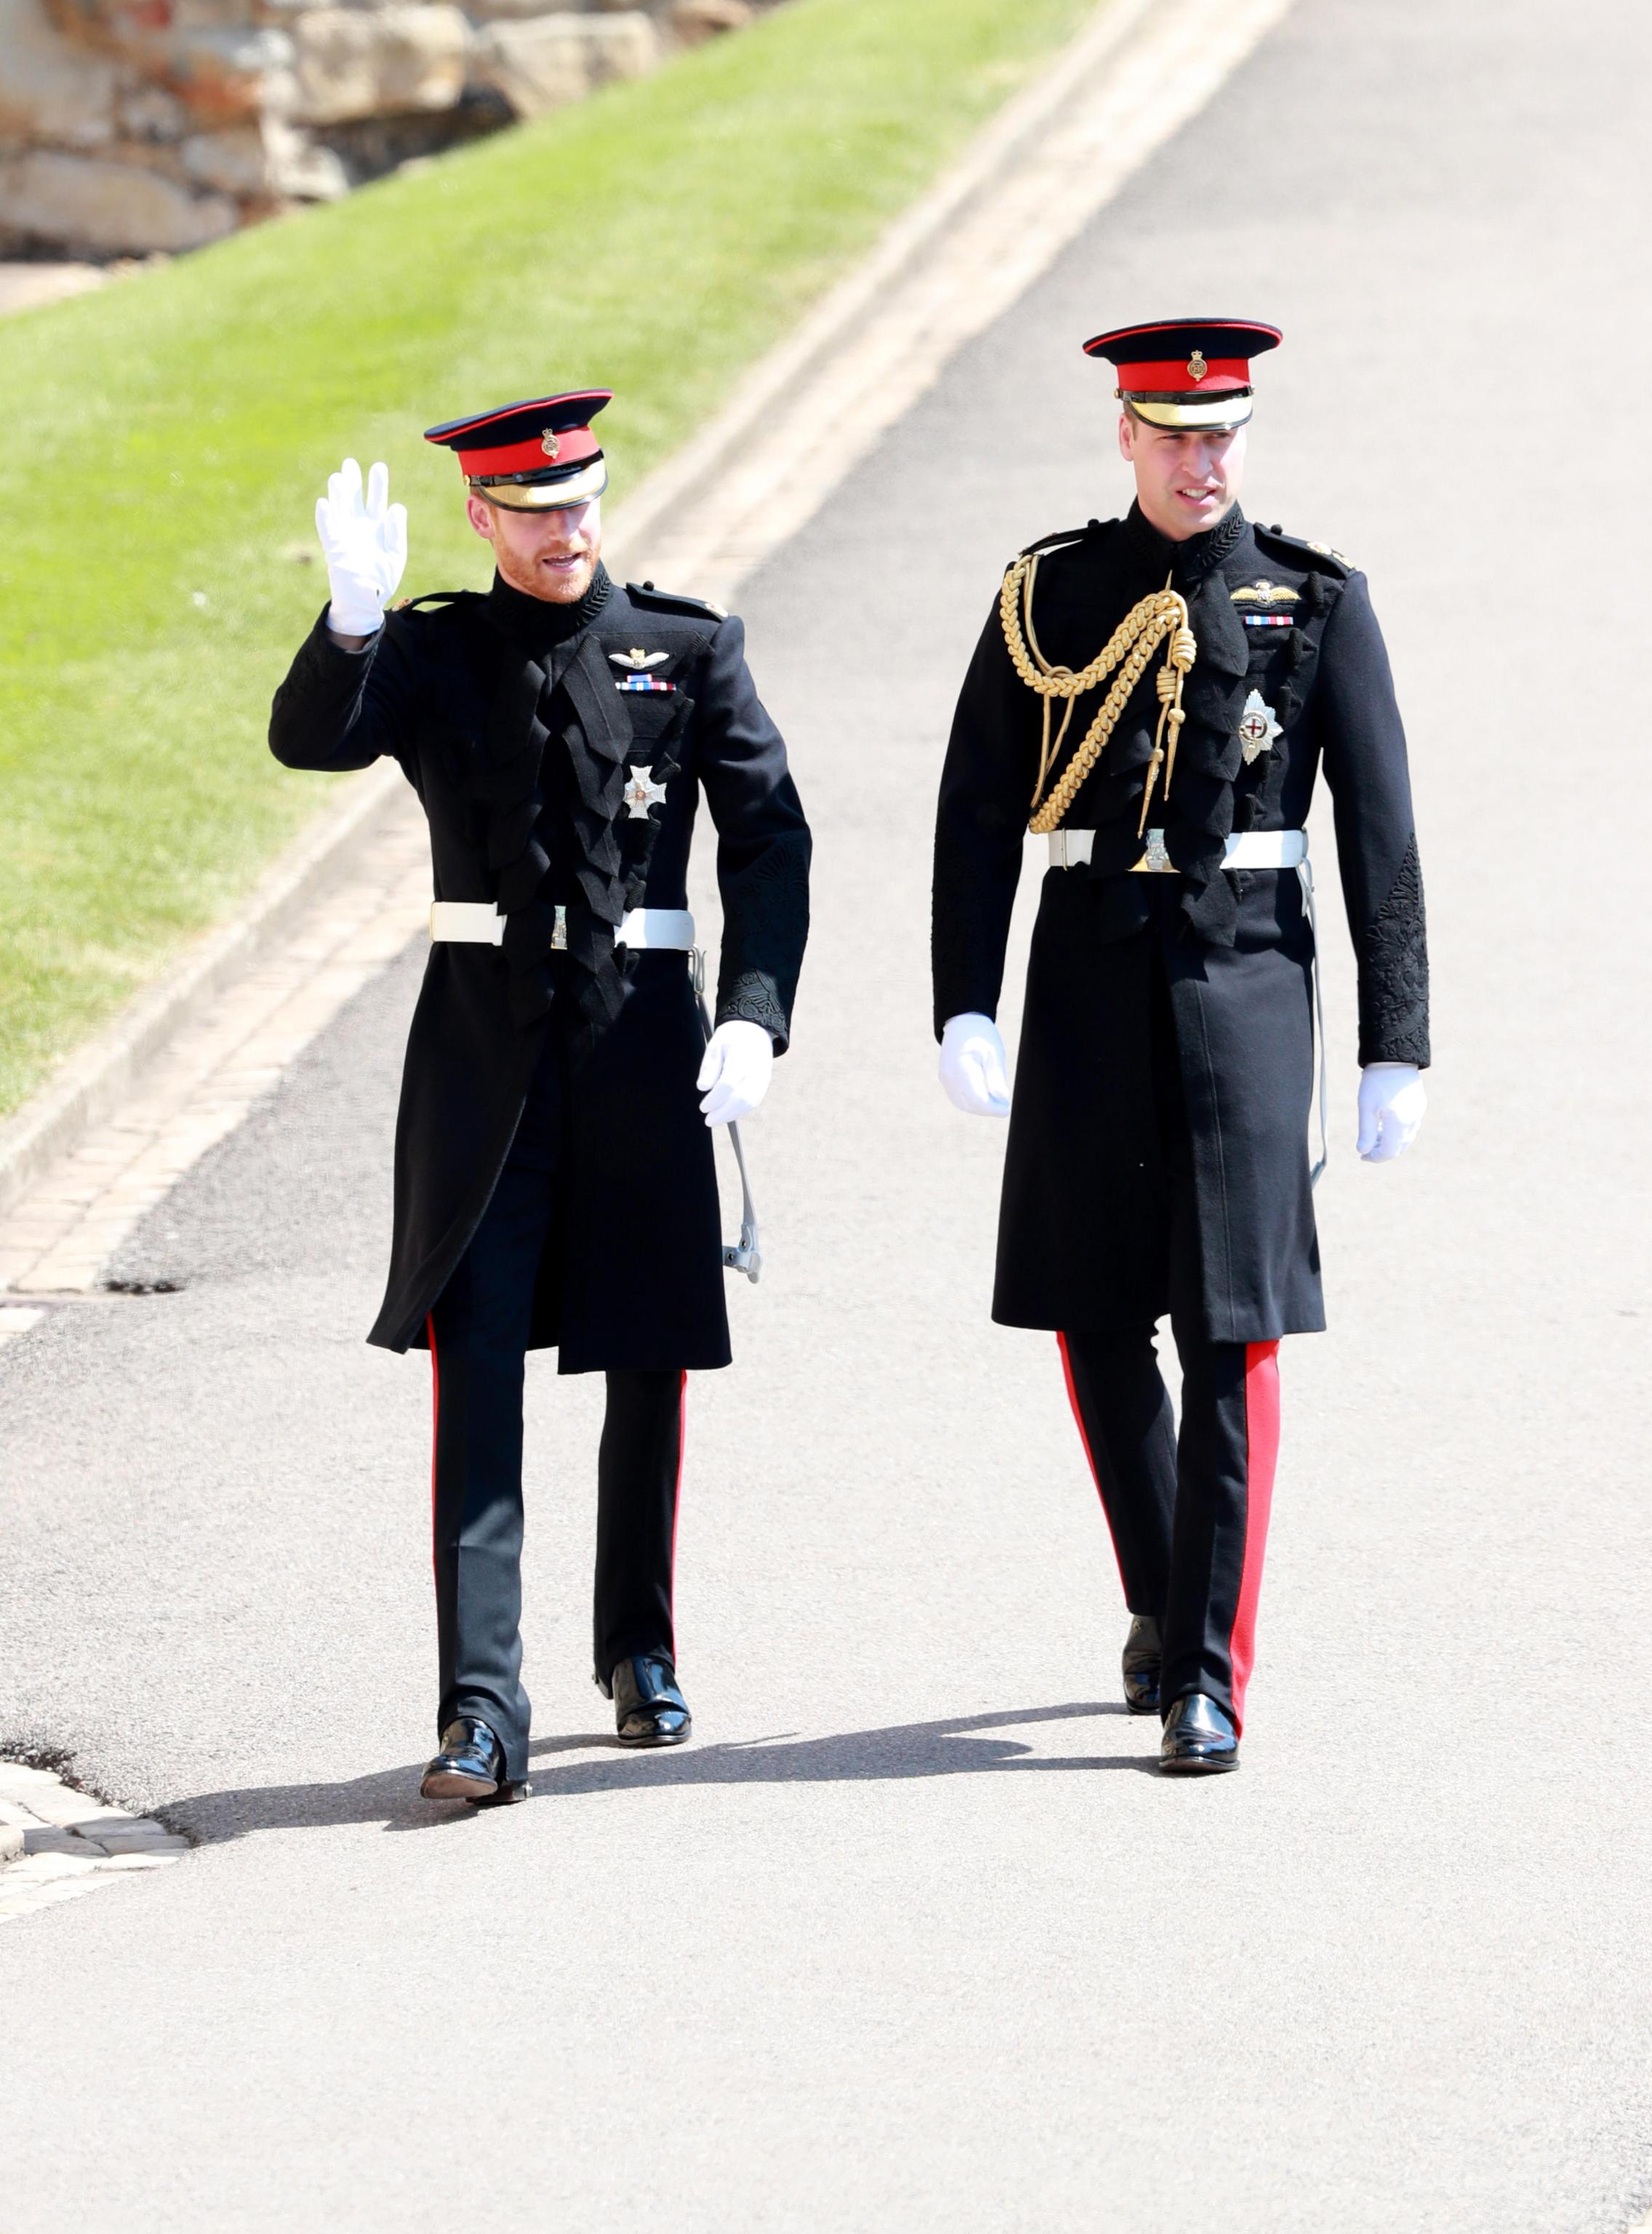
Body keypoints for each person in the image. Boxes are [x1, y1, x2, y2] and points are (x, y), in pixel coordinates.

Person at [269, 391, 810, 1803]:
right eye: (531, 510)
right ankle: (478, 1709)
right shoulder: (437, 652)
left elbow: (768, 841)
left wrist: (755, 1013)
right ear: (480, 517)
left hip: (642, 1037)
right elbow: (309, 743)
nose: (563, 530)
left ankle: (636, 1647)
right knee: (478, 1369)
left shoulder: (685, 649)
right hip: (482, 1048)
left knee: (647, 1355)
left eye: (578, 503)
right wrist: (347, 626)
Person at [931, 320, 1428, 1773]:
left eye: (1221, 433)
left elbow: (1378, 836)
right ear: (1124, 434)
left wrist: (1395, 1040)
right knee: (1092, 1316)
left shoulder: (1310, 598)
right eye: (1172, 432)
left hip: (1244, 977)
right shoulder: (1052, 592)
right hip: (1087, 962)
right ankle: (1159, 1599)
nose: (1198, 459)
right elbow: (977, 802)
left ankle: (1205, 1671)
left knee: (1228, 1325)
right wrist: (963, 996)